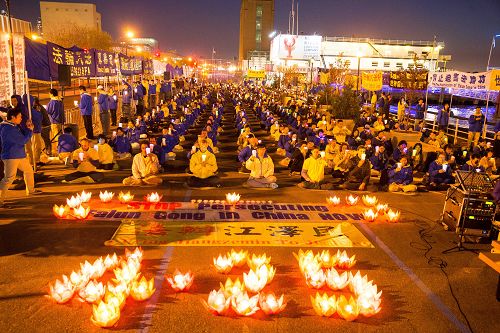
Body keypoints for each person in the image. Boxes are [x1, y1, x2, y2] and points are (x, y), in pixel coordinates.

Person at [0, 108, 38, 206]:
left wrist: (28, 128)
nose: (21, 118)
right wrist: (30, 130)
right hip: (11, 156)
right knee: (9, 178)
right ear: (13, 117)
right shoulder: (7, 129)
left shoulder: (12, 126)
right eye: (20, 116)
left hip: (18, 154)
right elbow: (22, 140)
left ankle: (31, 190)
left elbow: (21, 137)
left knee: (29, 170)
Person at [46, 88, 65, 156]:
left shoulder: (52, 102)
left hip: (54, 121)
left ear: (51, 94)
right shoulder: (60, 101)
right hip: (60, 121)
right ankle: (60, 150)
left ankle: (59, 151)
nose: (49, 94)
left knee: (56, 137)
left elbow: (48, 111)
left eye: (49, 93)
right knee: (59, 136)